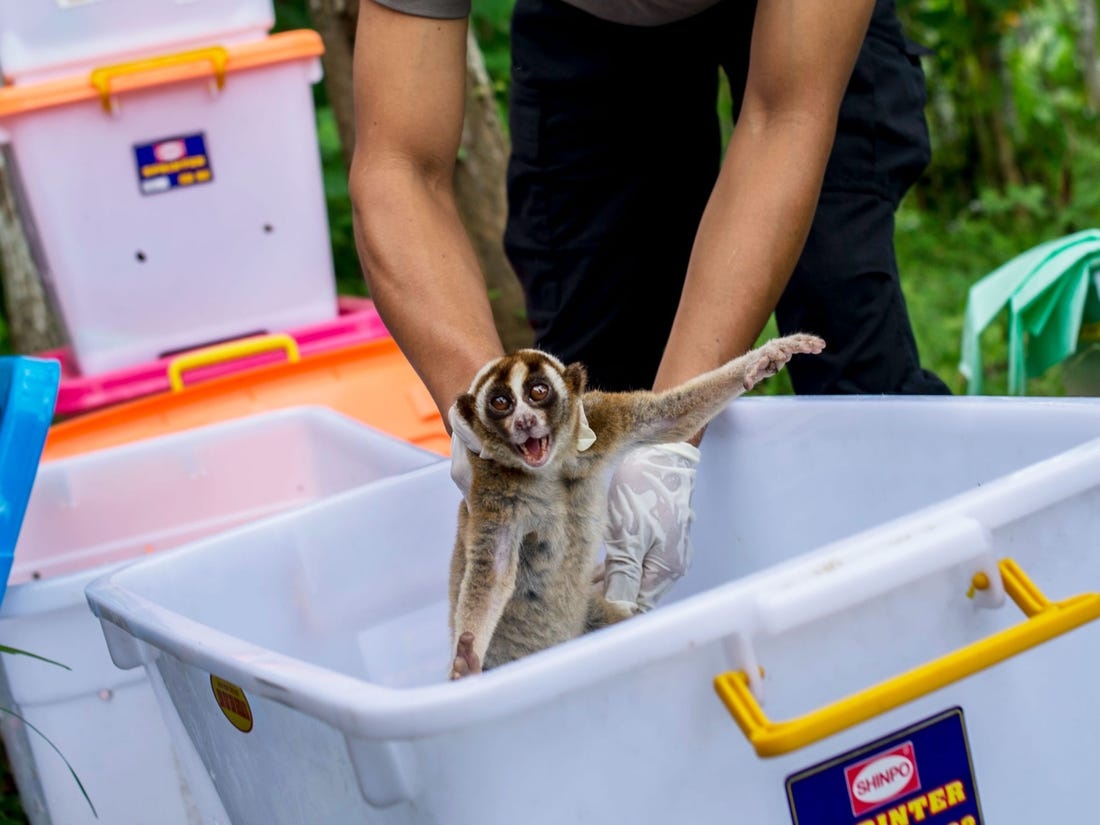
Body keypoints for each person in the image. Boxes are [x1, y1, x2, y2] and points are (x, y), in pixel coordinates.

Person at [349, 0, 950, 613]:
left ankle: (926, 608)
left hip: (805, 41)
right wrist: (490, 425)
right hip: (586, 27)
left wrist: (669, 432)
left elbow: (784, 117)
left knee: (848, 342)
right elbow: (399, 166)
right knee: (596, 416)